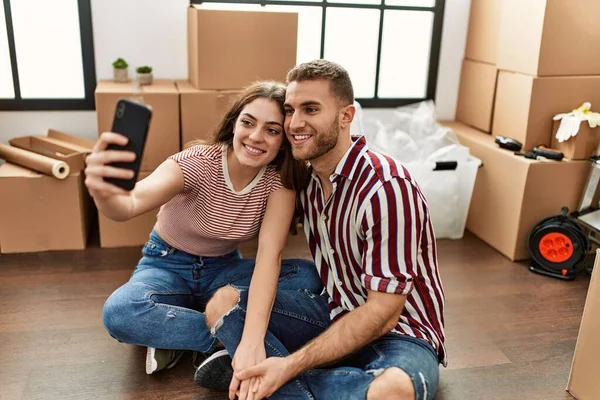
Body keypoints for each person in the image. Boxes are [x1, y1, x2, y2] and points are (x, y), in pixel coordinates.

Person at [195, 60, 446, 400]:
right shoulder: (308, 180)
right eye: (290, 110)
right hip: (335, 313)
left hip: (400, 332)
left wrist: (289, 366)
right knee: (222, 302)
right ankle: (296, 378)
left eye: (310, 109)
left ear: (346, 116)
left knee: (392, 392)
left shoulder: (386, 187)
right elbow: (269, 246)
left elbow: (383, 315)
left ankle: (264, 378)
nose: (294, 123)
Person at [84, 80, 323, 379]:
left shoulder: (278, 180)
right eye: (248, 123)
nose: (256, 137)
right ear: (234, 123)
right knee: (120, 313)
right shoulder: (197, 163)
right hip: (167, 262)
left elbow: (269, 256)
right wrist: (104, 194)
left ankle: (175, 333)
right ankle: (220, 331)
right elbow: (130, 203)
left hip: (223, 270)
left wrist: (250, 338)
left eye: (272, 130)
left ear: (283, 139)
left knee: (308, 276)